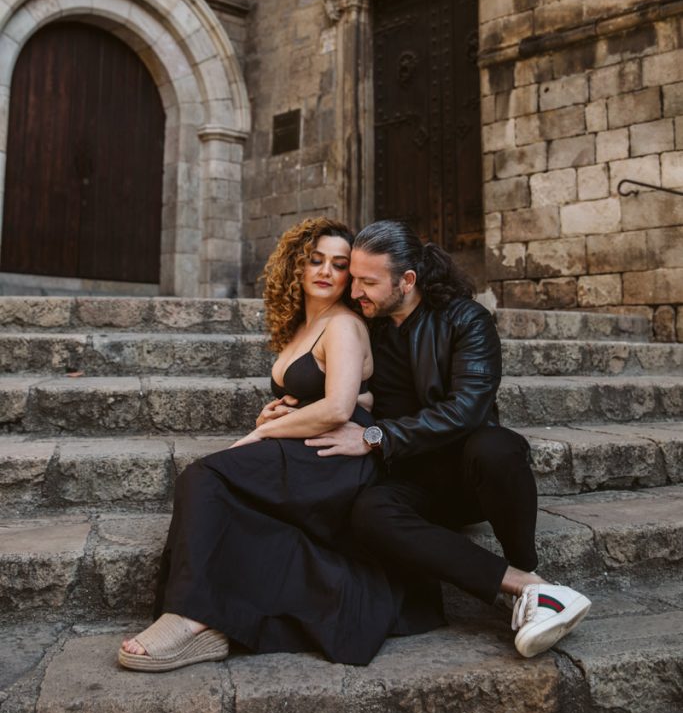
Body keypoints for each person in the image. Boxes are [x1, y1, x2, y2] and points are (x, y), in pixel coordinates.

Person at [118, 217, 441, 672]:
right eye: (316, 260)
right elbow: (351, 393)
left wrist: (263, 432)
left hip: (335, 454)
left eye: (340, 264)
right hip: (306, 441)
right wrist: (276, 415)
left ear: (352, 275)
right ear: (297, 266)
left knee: (203, 478)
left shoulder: (344, 325)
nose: (326, 271)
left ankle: (190, 617)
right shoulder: (303, 328)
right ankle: (212, 620)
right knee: (227, 497)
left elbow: (337, 408)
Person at [305, 220, 591, 659]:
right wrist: (293, 405)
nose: (355, 290)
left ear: (407, 280)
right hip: (406, 478)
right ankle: (530, 590)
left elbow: (467, 409)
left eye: (368, 282)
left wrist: (378, 435)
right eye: (355, 279)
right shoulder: (368, 324)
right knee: (368, 513)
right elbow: (343, 385)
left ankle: (526, 566)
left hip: (465, 473)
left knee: (498, 447)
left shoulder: (465, 319)